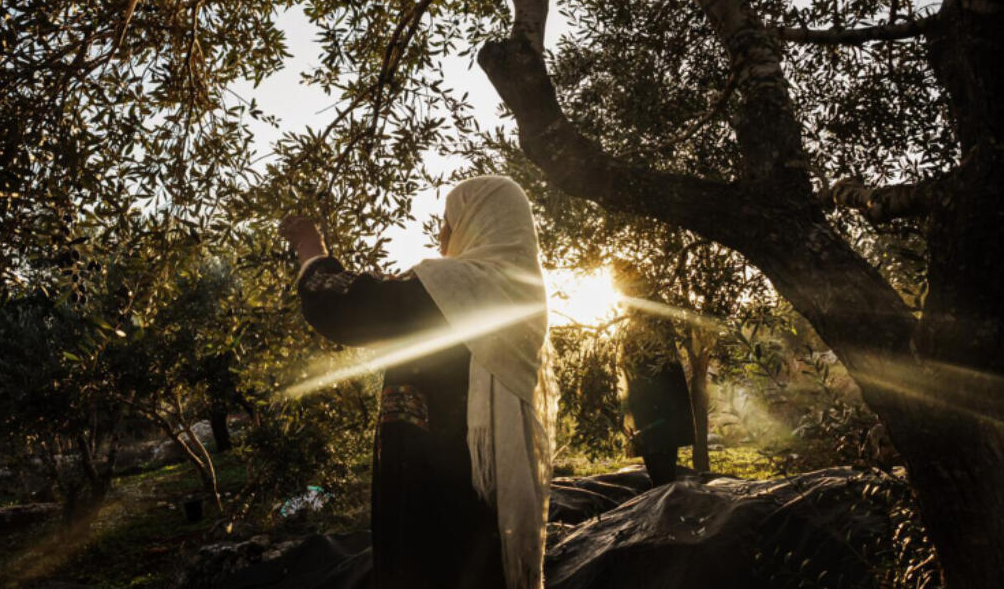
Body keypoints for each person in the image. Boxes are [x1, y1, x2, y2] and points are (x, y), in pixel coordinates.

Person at [279, 176, 557, 589]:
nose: (442, 235)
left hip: (435, 485)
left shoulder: (459, 287)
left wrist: (309, 247)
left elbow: (346, 306)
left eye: (449, 221)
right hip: (489, 488)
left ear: (476, 220)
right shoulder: (521, 294)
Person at [613, 262, 695, 487]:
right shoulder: (639, 314)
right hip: (655, 406)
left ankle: (665, 509)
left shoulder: (649, 315)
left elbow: (653, 359)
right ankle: (664, 504)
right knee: (659, 465)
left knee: (661, 466)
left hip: (658, 405)